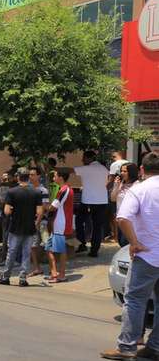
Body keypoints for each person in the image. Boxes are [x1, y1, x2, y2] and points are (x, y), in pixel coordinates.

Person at [100, 153, 159, 361]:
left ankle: (127, 347)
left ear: (142, 170)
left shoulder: (139, 190)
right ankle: (155, 347)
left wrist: (134, 242)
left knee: (134, 300)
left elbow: (122, 218)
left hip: (147, 255)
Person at [0, 168, 43, 287]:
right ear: (28, 177)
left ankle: (6, 276)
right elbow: (39, 211)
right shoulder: (36, 192)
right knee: (26, 253)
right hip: (29, 227)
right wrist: (35, 222)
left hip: (15, 226)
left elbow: (7, 211)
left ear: (18, 177)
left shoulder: (12, 192)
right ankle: (23, 278)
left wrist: (13, 210)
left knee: (11, 252)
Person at [75, 150, 110, 257]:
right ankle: (94, 250)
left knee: (79, 221)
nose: (82, 160)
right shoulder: (104, 168)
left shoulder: (87, 168)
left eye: (84, 158)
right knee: (97, 226)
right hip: (102, 201)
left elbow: (71, 170)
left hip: (88, 201)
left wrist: (53, 168)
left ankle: (82, 243)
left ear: (89, 158)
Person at [46, 171, 74, 284]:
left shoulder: (64, 190)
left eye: (55, 176)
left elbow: (53, 207)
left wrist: (43, 206)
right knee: (49, 248)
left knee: (60, 250)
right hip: (58, 223)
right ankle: (54, 273)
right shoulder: (65, 189)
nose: (53, 178)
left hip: (60, 224)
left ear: (61, 178)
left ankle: (61, 275)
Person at [111, 163, 140, 247]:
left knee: (126, 243)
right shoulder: (120, 184)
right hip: (120, 218)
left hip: (131, 220)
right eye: (121, 171)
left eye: (125, 171)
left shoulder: (137, 185)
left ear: (132, 172)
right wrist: (116, 186)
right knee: (121, 242)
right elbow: (113, 199)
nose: (122, 173)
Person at [28, 167, 50, 277]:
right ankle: (37, 268)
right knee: (33, 245)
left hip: (42, 222)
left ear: (38, 176)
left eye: (33, 174)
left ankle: (52, 269)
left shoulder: (43, 190)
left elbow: (45, 206)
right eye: (29, 175)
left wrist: (38, 219)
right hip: (31, 221)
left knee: (47, 244)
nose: (30, 177)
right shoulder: (28, 189)